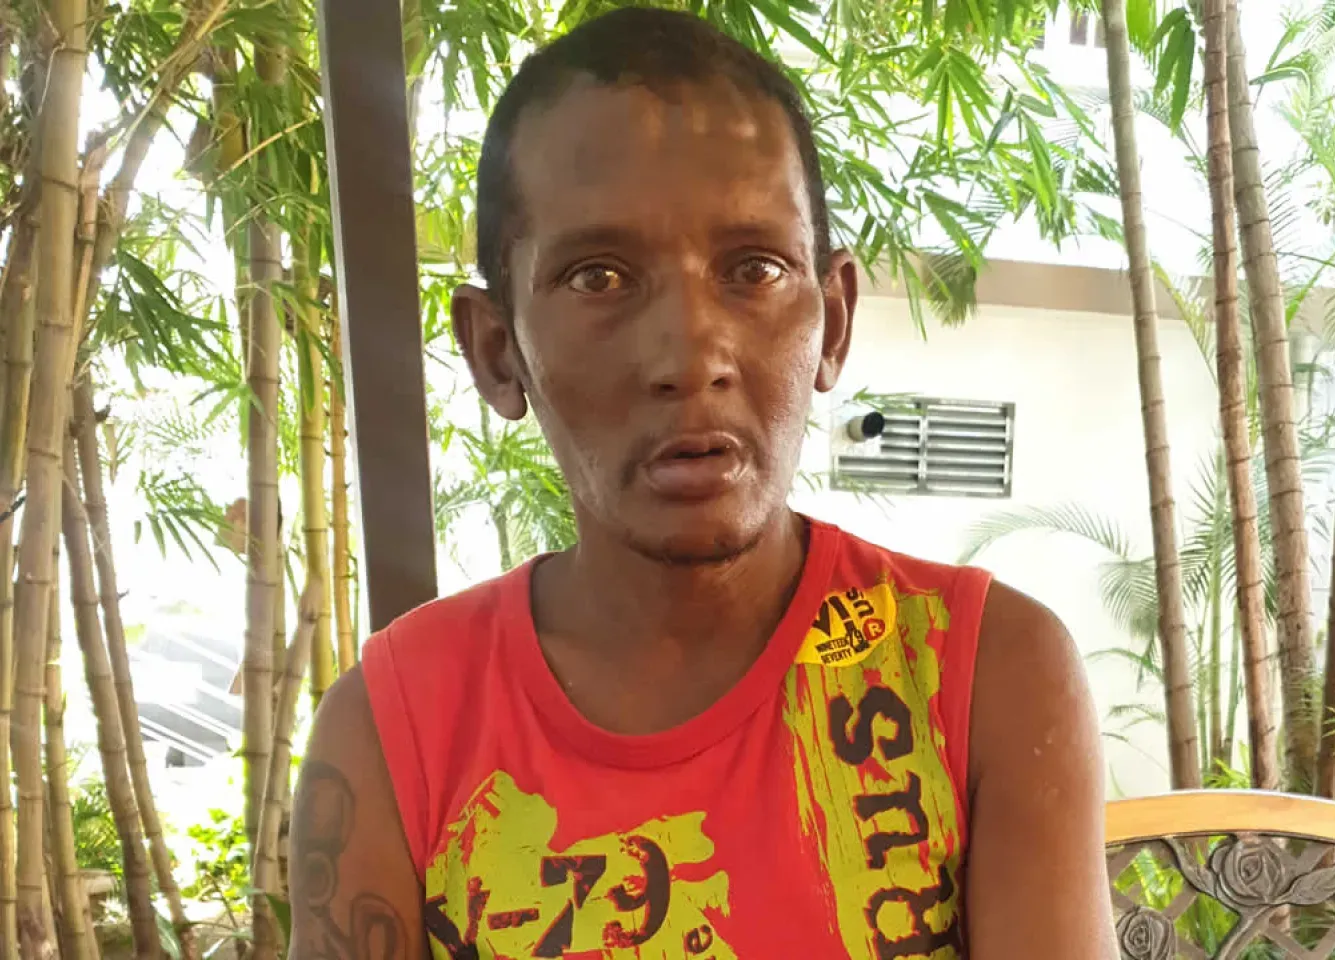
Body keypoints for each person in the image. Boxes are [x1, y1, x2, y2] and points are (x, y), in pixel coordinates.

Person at [288, 8, 1114, 959]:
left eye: (754, 269)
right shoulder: (394, 733)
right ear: (496, 350)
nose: (691, 355)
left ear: (834, 321)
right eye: (598, 278)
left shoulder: (983, 678)